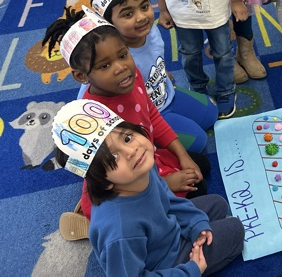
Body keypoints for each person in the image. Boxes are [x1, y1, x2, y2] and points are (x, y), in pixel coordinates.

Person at [43, 9, 209, 239]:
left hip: (145, 160)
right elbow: (111, 173)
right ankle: (99, 224)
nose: (120, 67)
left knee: (200, 165)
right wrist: (165, 184)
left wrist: (182, 155)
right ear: (82, 76)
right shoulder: (94, 114)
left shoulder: (131, 77)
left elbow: (152, 116)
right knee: (197, 193)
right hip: (121, 184)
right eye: (104, 66)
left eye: (122, 55)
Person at [52, 100, 243, 275]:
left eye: (127, 138)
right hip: (164, 263)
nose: (131, 151)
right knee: (236, 229)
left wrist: (195, 225)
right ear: (103, 181)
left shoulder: (142, 167)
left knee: (218, 203)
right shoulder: (121, 229)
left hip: (164, 231)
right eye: (114, 158)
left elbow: (169, 200)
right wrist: (189, 271)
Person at [80, 0, 218, 153]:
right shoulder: (112, 57)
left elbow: (153, 57)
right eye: (128, 14)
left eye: (144, 6)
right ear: (108, 21)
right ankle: (150, 144)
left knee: (211, 112)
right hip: (148, 114)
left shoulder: (151, 31)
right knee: (198, 142)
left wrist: (162, 71)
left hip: (167, 94)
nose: (141, 17)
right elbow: (87, 95)